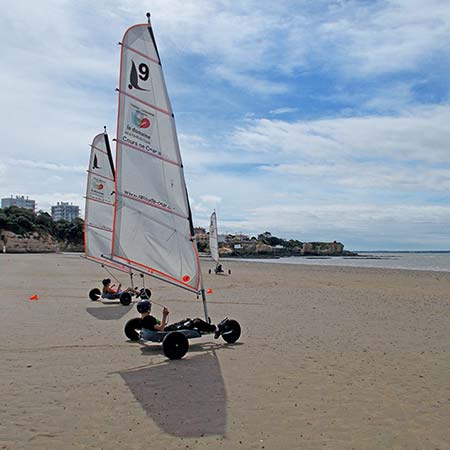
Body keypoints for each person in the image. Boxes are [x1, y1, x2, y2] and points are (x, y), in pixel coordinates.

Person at [136, 300, 228, 338]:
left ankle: (205, 326)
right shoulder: (149, 319)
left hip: (169, 328)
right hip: (168, 331)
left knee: (186, 320)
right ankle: (216, 328)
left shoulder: (142, 320)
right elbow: (161, 328)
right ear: (148, 308)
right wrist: (164, 315)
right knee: (196, 321)